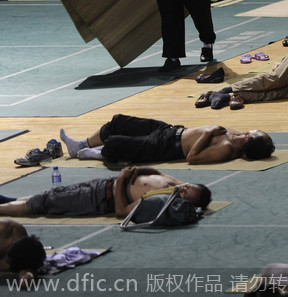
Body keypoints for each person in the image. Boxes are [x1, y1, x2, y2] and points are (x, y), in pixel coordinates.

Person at [0, 166, 211, 219]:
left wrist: (121, 181)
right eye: (189, 186)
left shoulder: (162, 201)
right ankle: (7, 201)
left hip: (99, 198)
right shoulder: (177, 184)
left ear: (188, 204)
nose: (184, 189)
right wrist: (138, 170)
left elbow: (121, 211)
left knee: (46, 202)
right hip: (104, 184)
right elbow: (157, 172)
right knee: (48, 195)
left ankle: (3, 208)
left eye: (186, 194)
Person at [58, 114, 274, 164]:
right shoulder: (236, 133)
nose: (253, 129)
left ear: (248, 139)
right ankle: (82, 144)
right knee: (118, 122)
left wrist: (208, 133)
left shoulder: (227, 148)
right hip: (171, 131)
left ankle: (94, 154)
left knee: (115, 143)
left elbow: (193, 157)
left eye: (256, 132)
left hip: (167, 147)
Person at [0, 219, 45, 288]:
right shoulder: (5, 232)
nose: (7, 267)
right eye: (7, 262)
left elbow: (26, 266)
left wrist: (27, 273)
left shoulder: (26, 248)